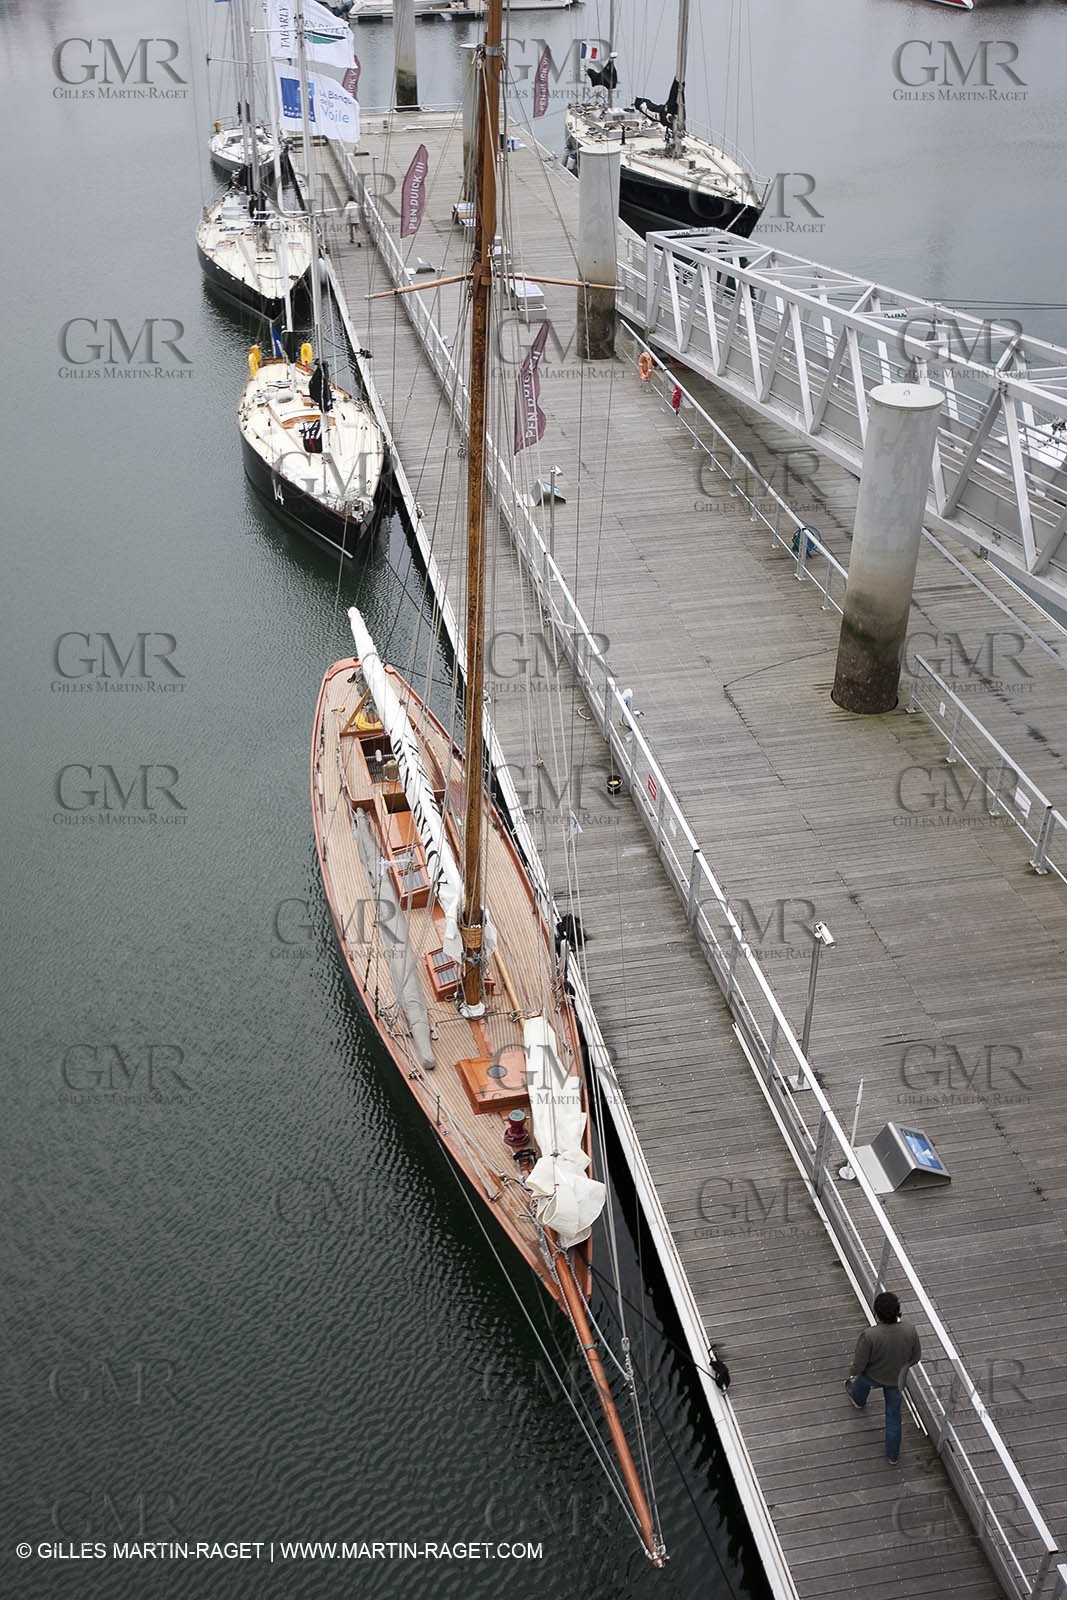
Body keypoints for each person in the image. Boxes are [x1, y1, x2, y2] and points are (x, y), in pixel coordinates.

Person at [845, 1291, 921, 1463]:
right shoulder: (910, 1330)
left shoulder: (870, 1335)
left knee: (861, 1381)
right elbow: (915, 1357)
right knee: (893, 1416)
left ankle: (858, 1399)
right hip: (896, 1379)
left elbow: (860, 1364)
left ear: (877, 1313)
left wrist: (853, 1371)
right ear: (897, 1311)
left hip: (873, 1374)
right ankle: (893, 1455)